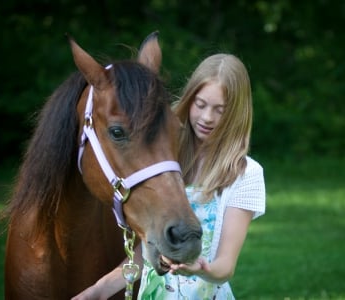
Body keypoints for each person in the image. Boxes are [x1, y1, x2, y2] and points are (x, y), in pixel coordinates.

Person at [72, 53, 266, 300]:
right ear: (189, 99)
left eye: (220, 110)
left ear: (237, 113)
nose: (207, 118)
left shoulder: (245, 173)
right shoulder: (165, 162)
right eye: (201, 104)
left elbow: (225, 267)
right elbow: (146, 252)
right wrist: (98, 291)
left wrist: (201, 268)